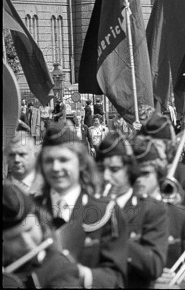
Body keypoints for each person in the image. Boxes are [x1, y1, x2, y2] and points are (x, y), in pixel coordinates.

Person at [33, 123, 128, 287]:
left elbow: (117, 277)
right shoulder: (31, 210)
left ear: (81, 163)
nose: (56, 168)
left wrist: (83, 274)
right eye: (49, 161)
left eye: (64, 160)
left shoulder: (106, 211)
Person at [131, 137, 185, 288]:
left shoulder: (182, 217)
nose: (139, 180)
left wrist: (178, 286)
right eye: (134, 174)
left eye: (145, 173)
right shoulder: (115, 217)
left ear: (159, 175)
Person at [95, 131, 169, 288]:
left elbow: (154, 265)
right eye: (101, 169)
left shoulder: (151, 209)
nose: (106, 176)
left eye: (114, 169)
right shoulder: (87, 206)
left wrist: (115, 237)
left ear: (129, 170)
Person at [3, 183, 82, 289]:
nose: (26, 242)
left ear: (40, 223)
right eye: (13, 238)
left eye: (29, 229)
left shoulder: (59, 268)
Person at [4, 131, 44, 195]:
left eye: (22, 154)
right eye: (12, 155)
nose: (16, 159)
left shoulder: (49, 188)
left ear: (34, 155)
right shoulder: (5, 189)